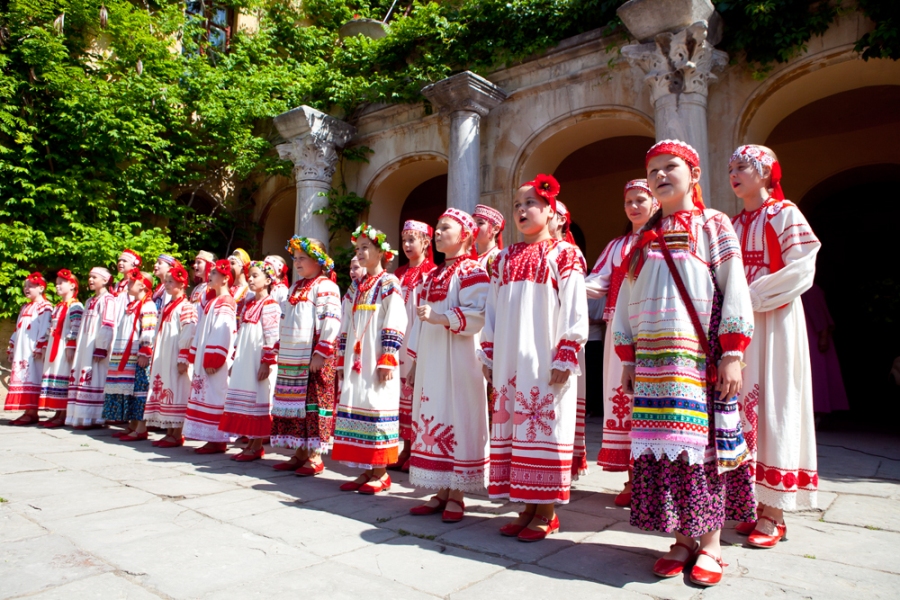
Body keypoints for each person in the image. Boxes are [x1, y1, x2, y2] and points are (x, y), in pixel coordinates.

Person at [613, 140, 755, 586]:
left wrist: (732, 353)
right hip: (654, 362)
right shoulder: (643, 237)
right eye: (652, 169)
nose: (659, 175)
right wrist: (627, 354)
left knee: (702, 450)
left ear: (693, 173)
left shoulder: (714, 225)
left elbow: (735, 287)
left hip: (697, 359)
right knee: (664, 448)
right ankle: (680, 537)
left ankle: (709, 543)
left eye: (669, 166)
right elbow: (626, 299)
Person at [478, 174, 588, 542]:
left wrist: (566, 353)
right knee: (514, 427)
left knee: (545, 427)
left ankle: (547, 511)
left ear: (551, 209)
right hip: (510, 358)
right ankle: (525, 506)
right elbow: (492, 309)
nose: (523, 210)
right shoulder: (504, 257)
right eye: (518, 205)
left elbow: (574, 307)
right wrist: (489, 352)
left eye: (531, 203)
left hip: (546, 359)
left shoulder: (565, 254)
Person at [729, 144, 821, 547]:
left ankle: (775, 512)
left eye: (743, 166)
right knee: (739, 407)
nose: (734, 173)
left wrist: (750, 296)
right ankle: (752, 502)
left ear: (766, 173)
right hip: (739, 326)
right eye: (731, 167)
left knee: (777, 402)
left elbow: (803, 266)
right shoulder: (730, 223)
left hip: (776, 320)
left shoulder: (786, 214)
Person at [406, 208, 490, 522]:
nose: (438, 233)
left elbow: (479, 314)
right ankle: (440, 487)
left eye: (445, 228)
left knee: (458, 413)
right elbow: (418, 321)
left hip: (460, 359)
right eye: (437, 228)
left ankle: (457, 493)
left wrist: (442, 318)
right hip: (432, 358)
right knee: (433, 412)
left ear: (466, 234)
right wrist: (413, 362)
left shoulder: (473, 271)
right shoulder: (432, 275)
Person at [584, 179, 659, 506]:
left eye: (640, 200)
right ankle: (632, 479)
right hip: (620, 329)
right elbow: (595, 282)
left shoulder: (663, 240)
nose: (633, 207)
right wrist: (561, 281)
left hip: (657, 326)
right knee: (623, 400)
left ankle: (655, 481)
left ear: (655, 202)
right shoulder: (617, 246)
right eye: (628, 201)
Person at [332, 224, 408, 494]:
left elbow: (396, 319)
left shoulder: (390, 283)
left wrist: (388, 356)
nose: (361, 252)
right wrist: (340, 358)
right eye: (357, 248)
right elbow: (345, 323)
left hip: (376, 357)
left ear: (380, 252)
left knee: (376, 405)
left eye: (366, 247)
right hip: (355, 358)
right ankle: (365, 468)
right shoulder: (356, 287)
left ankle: (382, 472)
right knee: (357, 402)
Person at [271, 237, 342, 475]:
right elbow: (285, 319)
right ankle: (298, 452)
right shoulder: (295, 287)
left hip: (313, 355)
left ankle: (315, 457)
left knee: (312, 405)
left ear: (318, 260)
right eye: (296, 258)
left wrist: (321, 352)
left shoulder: (326, 286)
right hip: (293, 357)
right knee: (295, 406)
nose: (297, 262)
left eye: (303, 258)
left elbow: (331, 320)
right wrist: (280, 345)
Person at [219, 261, 282, 461]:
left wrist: (266, 362)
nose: (251, 279)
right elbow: (241, 333)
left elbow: (272, 336)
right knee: (245, 398)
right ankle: (251, 444)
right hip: (245, 358)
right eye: (250, 276)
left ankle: (256, 446)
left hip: (257, 359)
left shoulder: (270, 305)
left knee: (258, 398)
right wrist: (235, 360)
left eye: (256, 276)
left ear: (268, 280)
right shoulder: (248, 302)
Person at [392, 220, 437, 471]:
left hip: (419, 336)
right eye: (405, 240)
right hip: (399, 337)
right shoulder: (398, 274)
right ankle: (404, 449)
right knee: (399, 395)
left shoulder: (431, 273)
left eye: (413, 240)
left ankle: (416, 450)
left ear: (426, 242)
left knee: (416, 391)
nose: (407, 245)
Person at [183, 260, 238, 454]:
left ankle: (217, 439)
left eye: (214, 273)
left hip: (214, 359)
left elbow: (222, 332)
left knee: (215, 393)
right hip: (204, 356)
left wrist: (214, 357)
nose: (210, 276)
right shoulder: (213, 301)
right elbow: (203, 329)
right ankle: (210, 438)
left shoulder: (226, 302)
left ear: (225, 279)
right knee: (207, 393)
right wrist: (195, 353)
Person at [552, 200, 589, 479]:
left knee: (561, 404)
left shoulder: (568, 253)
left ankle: (562, 468)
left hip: (564, 340)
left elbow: (575, 300)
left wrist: (567, 349)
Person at [144, 263, 198, 448]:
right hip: (164, 353)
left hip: (175, 354)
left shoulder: (186, 306)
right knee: (166, 385)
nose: (166, 284)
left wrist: (183, 356)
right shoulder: (169, 305)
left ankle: (177, 433)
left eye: (171, 281)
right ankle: (169, 431)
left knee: (177, 388)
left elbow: (189, 330)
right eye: (166, 281)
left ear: (182, 284)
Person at [103, 269, 158, 441]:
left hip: (136, 355)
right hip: (125, 353)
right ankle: (132, 425)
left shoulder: (147, 305)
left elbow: (148, 329)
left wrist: (145, 351)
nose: (128, 283)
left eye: (132, 282)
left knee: (139, 389)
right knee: (130, 390)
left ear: (142, 285)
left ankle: (141, 427)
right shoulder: (131, 305)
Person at [66, 267, 118, 429]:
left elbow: (108, 324)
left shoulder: (108, 299)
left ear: (105, 280)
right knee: (83, 374)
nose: (90, 280)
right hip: (85, 344)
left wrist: (101, 347)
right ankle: (80, 416)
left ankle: (94, 417)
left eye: (94, 277)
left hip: (96, 346)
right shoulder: (89, 301)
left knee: (95, 376)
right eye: (89, 277)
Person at [37, 269, 84, 428]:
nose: (57, 286)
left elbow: (76, 327)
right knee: (55, 373)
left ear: (72, 285)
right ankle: (57, 411)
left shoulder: (75, 306)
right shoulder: (58, 306)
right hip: (54, 346)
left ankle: (63, 412)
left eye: (60, 283)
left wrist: (71, 345)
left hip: (64, 347)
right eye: (56, 284)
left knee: (63, 373)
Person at [4, 272, 53, 425]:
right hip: (22, 349)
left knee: (32, 376)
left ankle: (32, 412)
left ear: (41, 288)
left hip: (33, 351)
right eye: (25, 286)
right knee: (23, 377)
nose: (27, 289)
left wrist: (40, 346)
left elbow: (45, 328)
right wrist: (12, 346)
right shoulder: (25, 307)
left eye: (31, 286)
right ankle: (27, 411)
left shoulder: (45, 307)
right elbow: (18, 328)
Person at [801, 283, 849, 414]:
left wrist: (823, 335)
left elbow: (820, 313)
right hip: (805, 335)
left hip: (814, 337)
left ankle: (817, 411)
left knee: (816, 374)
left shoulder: (810, 288)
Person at [473, 204, 504, 271]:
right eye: (473, 223)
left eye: (480, 223)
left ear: (495, 229)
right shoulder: (470, 259)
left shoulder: (497, 257)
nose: (474, 227)